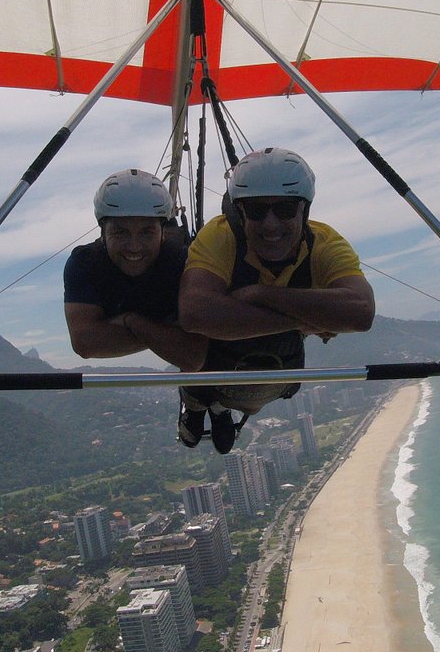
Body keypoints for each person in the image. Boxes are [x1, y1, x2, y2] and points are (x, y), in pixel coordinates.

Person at [178, 148, 375, 453]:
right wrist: (305, 320)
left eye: (284, 210)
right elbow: (194, 313)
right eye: (256, 211)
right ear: (240, 213)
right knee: (196, 370)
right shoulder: (220, 236)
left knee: (264, 377)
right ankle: (195, 406)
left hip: (273, 359)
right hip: (216, 357)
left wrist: (261, 294)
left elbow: (361, 313)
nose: (271, 224)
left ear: (303, 211)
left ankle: (219, 410)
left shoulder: (324, 243)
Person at [63, 170, 207, 373]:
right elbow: (85, 344)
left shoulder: (181, 263)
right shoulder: (86, 263)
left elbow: (192, 357)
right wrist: (165, 332)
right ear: (103, 232)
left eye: (146, 233)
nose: (134, 246)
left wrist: (131, 321)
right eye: (120, 232)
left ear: (162, 233)